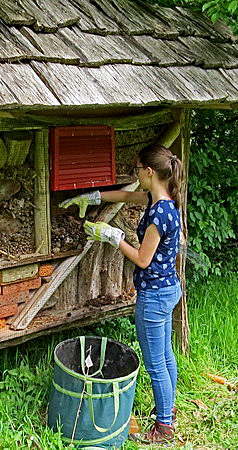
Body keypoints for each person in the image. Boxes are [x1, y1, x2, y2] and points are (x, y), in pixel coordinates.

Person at [59, 144, 183, 445]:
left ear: (149, 172)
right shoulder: (162, 199)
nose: (135, 174)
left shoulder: (159, 215)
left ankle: (164, 427)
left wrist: (112, 236)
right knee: (165, 355)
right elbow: (128, 196)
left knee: (156, 363)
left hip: (154, 297)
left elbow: (142, 259)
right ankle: (170, 409)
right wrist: (94, 197)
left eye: (138, 170)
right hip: (168, 289)